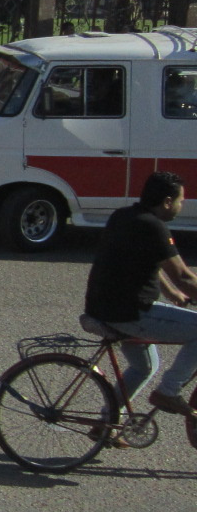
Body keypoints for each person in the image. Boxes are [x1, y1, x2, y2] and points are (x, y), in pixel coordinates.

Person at [83, 172, 197, 425]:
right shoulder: (153, 226)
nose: (181, 206)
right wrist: (180, 288)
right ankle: (168, 392)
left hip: (104, 307)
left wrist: (170, 293)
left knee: (143, 367)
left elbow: (148, 263)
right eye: (180, 200)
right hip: (130, 313)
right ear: (167, 201)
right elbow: (184, 276)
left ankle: (106, 423)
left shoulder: (124, 216)